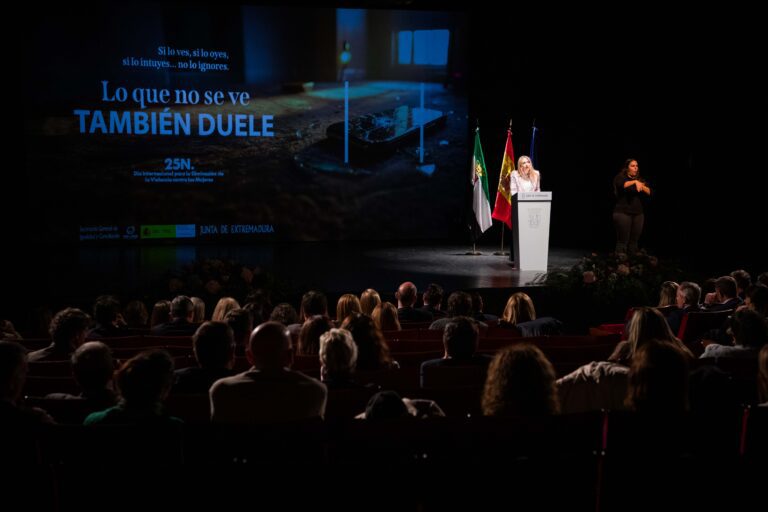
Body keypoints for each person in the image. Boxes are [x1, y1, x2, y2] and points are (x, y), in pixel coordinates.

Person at [613, 158, 651, 255]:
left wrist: (641, 185)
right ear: (627, 168)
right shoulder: (620, 177)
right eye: (632, 166)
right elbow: (622, 185)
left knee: (634, 242)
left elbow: (649, 192)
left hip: (638, 214)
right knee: (622, 241)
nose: (635, 168)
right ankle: (620, 261)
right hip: (623, 213)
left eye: (636, 166)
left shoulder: (640, 179)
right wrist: (634, 182)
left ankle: (632, 261)